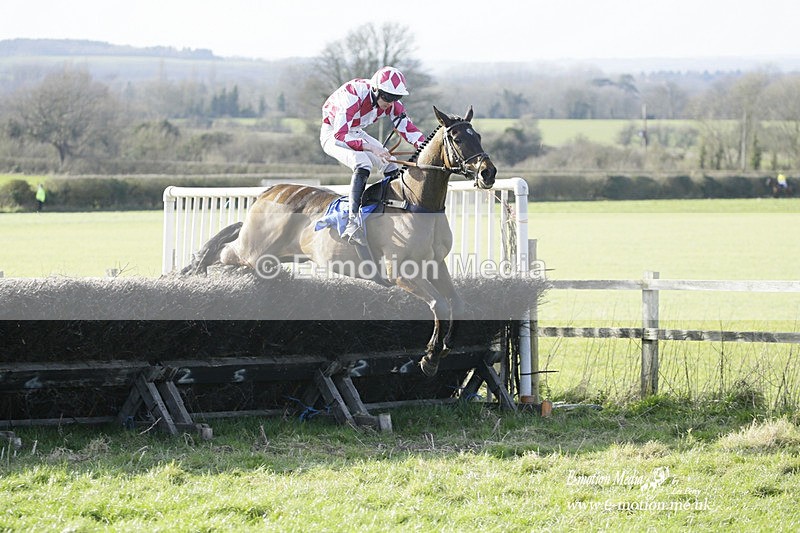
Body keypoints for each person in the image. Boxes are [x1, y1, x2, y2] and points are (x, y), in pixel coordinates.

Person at [320, 66, 426, 246]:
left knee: (390, 163)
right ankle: (353, 223)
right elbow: (340, 135)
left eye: (396, 98)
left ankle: (392, 212)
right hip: (334, 134)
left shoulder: (390, 102)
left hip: (355, 132)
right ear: (375, 90)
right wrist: (370, 147)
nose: (391, 102)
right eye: (387, 97)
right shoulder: (353, 95)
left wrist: (426, 148)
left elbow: (407, 129)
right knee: (362, 162)